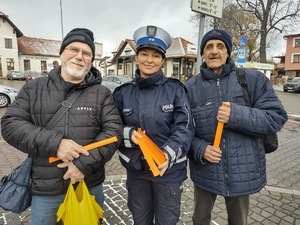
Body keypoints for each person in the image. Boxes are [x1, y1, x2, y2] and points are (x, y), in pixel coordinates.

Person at [1, 28, 123, 225]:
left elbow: (113, 132)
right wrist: (56, 143)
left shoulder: (102, 93)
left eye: (86, 53)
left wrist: (82, 165)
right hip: (46, 190)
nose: (79, 56)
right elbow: (10, 124)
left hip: (88, 184)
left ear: (91, 60)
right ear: (61, 53)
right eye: (73, 49)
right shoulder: (34, 89)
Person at [184, 29, 288, 225]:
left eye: (220, 46)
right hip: (205, 170)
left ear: (228, 52)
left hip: (243, 171)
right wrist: (200, 149)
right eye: (209, 47)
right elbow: (184, 130)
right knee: (199, 219)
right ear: (203, 54)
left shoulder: (252, 80)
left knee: (239, 221)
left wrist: (236, 115)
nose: (214, 51)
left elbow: (276, 117)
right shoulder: (190, 88)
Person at [113, 25, 195, 225]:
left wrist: (167, 154)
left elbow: (185, 128)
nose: (149, 60)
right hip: (136, 172)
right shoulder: (122, 93)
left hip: (168, 173)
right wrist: (128, 134)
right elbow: (111, 127)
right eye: (144, 54)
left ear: (162, 60)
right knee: (140, 221)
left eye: (156, 56)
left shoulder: (175, 90)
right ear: (136, 57)